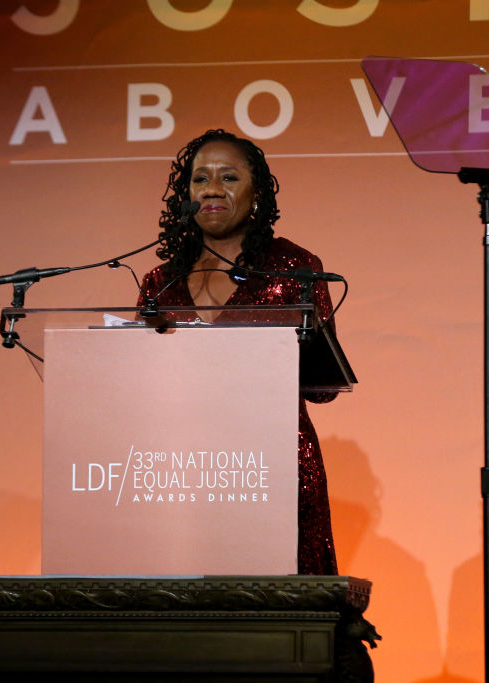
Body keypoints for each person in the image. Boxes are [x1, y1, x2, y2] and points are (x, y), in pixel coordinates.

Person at [137, 129, 341, 575]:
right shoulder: (160, 281)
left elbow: (324, 387)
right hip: (181, 469)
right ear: (184, 194)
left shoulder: (294, 267)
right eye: (199, 179)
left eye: (228, 177)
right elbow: (136, 383)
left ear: (256, 194)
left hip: (275, 465)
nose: (211, 188)